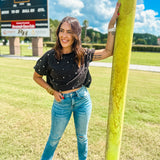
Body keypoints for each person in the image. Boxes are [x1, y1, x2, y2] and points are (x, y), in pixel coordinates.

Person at [33, 2, 121, 160]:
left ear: (76, 35)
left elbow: (109, 51)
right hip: (61, 103)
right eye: (61, 31)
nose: (64, 36)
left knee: (82, 138)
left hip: (82, 100)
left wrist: (111, 24)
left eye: (69, 32)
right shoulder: (50, 56)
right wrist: (52, 91)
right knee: (54, 139)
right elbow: (36, 77)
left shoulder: (83, 54)